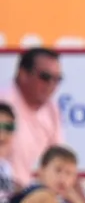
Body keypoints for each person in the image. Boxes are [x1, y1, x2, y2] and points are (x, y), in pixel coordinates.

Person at [0, 48, 65, 187]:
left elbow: (61, 162)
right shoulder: (4, 105)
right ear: (23, 74)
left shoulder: (52, 110)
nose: (51, 85)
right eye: (45, 77)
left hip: (27, 196)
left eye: (57, 79)